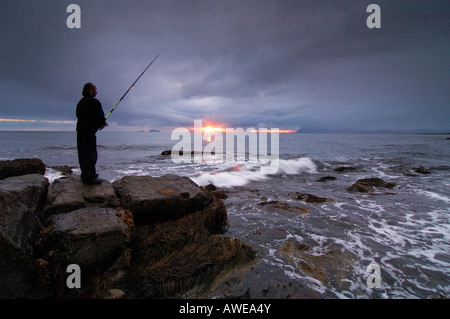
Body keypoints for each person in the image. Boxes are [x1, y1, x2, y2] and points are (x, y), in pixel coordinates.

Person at [76, 82, 108, 184]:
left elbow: (79, 116)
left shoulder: (80, 102)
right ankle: (90, 178)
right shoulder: (95, 102)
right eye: (95, 89)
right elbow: (100, 116)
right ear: (90, 90)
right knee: (91, 154)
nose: (96, 91)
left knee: (83, 154)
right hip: (89, 132)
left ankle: (85, 174)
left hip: (80, 131)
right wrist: (103, 123)